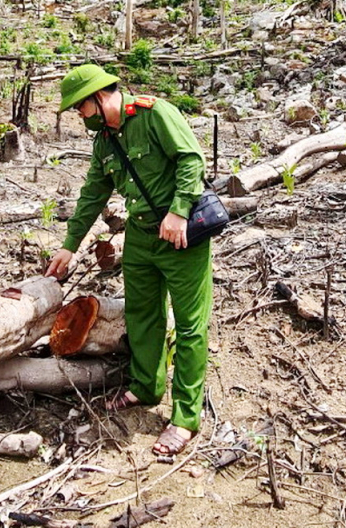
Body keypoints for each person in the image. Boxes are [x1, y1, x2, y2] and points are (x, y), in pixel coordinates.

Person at [45, 64, 212, 456]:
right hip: (139, 237)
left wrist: (179, 210)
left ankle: (185, 418)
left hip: (180, 235)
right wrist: (70, 244)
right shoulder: (105, 140)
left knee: (190, 328)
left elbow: (191, 159)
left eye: (79, 108)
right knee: (141, 315)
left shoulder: (155, 114)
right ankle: (145, 387)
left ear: (99, 98)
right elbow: (93, 192)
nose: (78, 116)